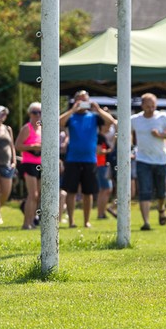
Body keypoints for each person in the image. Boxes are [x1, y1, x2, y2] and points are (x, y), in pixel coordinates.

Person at [59, 91, 116, 228]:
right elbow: (59, 122)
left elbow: (111, 122)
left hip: (90, 159)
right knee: (71, 191)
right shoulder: (71, 117)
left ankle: (86, 221)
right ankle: (71, 221)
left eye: (85, 100)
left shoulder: (94, 117)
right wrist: (72, 110)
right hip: (72, 159)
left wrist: (98, 110)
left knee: (88, 192)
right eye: (80, 100)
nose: (83, 103)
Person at [130, 93, 166, 230]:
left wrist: (160, 135)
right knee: (144, 191)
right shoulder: (134, 119)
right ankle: (146, 222)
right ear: (142, 105)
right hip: (142, 159)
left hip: (161, 160)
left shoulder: (163, 117)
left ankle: (161, 209)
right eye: (148, 106)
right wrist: (130, 149)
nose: (151, 109)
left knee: (161, 192)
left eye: (153, 106)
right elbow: (126, 133)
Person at [14, 102, 42, 229]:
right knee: (33, 194)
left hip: (40, 163)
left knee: (39, 195)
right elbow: (18, 146)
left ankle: (32, 221)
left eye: (40, 112)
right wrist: (33, 146)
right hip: (29, 163)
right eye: (35, 112)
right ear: (30, 114)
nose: (38, 115)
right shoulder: (27, 128)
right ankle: (26, 223)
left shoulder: (42, 128)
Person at [0, 105, 16, 224]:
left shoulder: (8, 129)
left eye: (4, 114)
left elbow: (12, 146)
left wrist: (14, 161)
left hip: (7, 163)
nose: (2, 117)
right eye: (0, 114)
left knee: (6, 192)